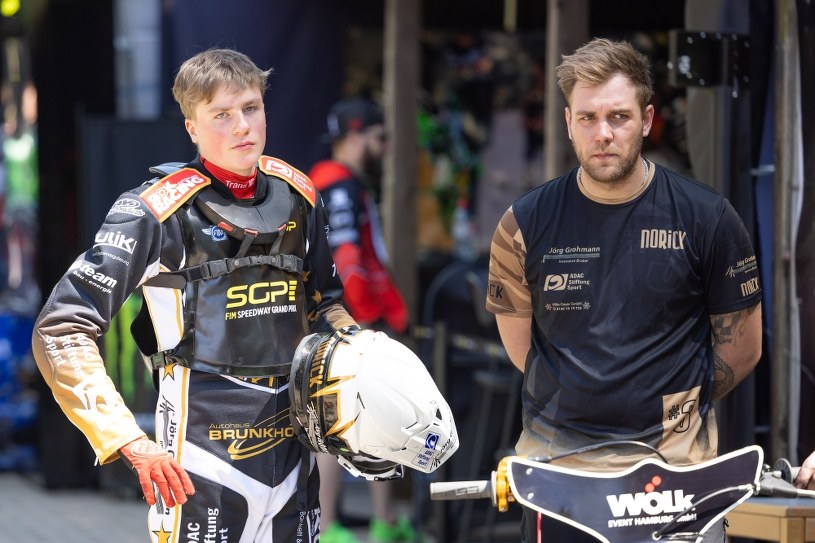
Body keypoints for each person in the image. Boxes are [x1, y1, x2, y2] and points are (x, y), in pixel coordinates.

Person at [31, 48, 359, 543]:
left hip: (295, 454)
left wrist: (368, 367)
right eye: (221, 115)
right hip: (199, 462)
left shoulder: (300, 196)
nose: (242, 126)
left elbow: (327, 305)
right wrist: (127, 440)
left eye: (251, 108)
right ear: (191, 127)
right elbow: (61, 328)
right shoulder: (154, 211)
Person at [485, 38, 762, 543]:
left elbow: (743, 348)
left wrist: (670, 406)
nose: (603, 133)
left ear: (647, 119)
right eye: (587, 118)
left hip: (677, 483)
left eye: (619, 116)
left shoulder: (708, 218)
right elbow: (522, 349)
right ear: (568, 122)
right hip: (559, 481)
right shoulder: (522, 224)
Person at [307, 97, 412, 543]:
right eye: (380, 137)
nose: (386, 147)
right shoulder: (340, 186)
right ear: (356, 136)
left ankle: (376, 522)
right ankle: (332, 527)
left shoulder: (325, 182)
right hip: (349, 323)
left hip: (338, 319)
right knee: (345, 422)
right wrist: (365, 320)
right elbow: (347, 259)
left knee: (352, 420)